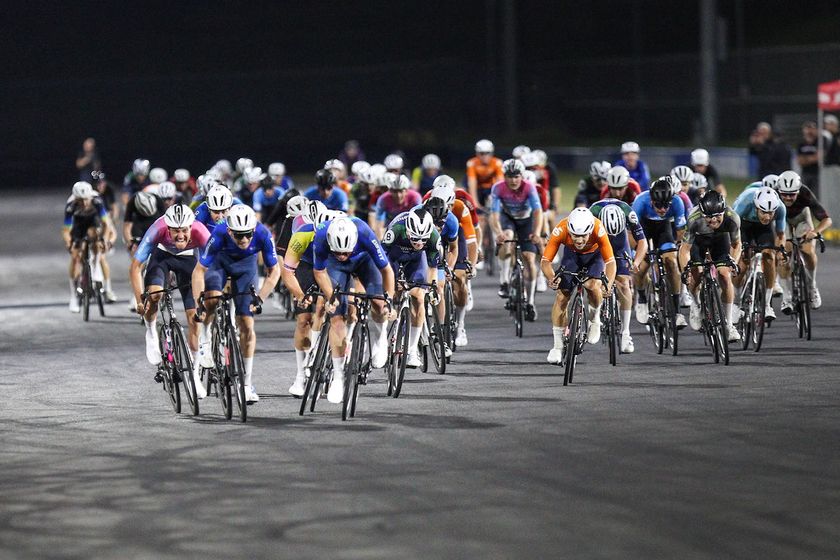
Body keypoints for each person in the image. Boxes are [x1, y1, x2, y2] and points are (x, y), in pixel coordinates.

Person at [193, 205, 281, 404]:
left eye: (247, 235)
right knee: (213, 298)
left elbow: (274, 271)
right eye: (238, 235)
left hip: (245, 268)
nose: (243, 240)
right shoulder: (219, 232)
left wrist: (261, 298)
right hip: (219, 264)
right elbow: (199, 271)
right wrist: (200, 300)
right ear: (230, 230)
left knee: (247, 326)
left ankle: (247, 384)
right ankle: (206, 337)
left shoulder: (263, 234)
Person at [311, 216, 395, 404]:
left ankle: (381, 339)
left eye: (345, 252)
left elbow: (387, 270)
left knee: (379, 304)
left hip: (365, 262)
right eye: (338, 252)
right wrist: (331, 296)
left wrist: (389, 299)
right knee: (337, 320)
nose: (343, 255)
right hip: (335, 269)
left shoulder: (364, 232)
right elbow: (319, 272)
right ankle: (339, 378)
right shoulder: (322, 235)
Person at [131, 205, 210, 396]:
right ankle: (151, 332)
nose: (181, 235)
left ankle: (194, 374)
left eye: (184, 230)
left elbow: (215, 263)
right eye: (176, 231)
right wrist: (140, 301)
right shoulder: (157, 228)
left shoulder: (201, 231)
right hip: (162, 258)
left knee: (195, 318)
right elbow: (135, 267)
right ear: (168, 228)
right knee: (155, 295)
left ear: (191, 227)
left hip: (189, 262)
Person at [541, 208, 616, 363]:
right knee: (562, 295)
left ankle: (594, 318)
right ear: (569, 231)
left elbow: (610, 262)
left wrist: (607, 284)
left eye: (583, 236)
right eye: (575, 236)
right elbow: (545, 261)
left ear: (590, 231)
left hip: (594, 257)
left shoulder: (598, 228)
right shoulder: (561, 228)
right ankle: (557, 346)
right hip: (572, 257)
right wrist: (551, 278)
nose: (580, 240)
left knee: (593, 285)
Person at [678, 191, 742, 341]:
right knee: (696, 273)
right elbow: (685, 249)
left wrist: (733, 261)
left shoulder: (732, 218)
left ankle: (728, 324)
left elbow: (736, 244)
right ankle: (696, 304)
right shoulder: (694, 218)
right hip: (698, 242)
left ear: (723, 212)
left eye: (717, 217)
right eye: (708, 217)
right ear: (702, 213)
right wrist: (685, 269)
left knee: (725, 276)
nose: (713, 221)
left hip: (720, 239)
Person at [281, 202, 331, 396]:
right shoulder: (302, 233)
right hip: (306, 265)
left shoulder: (334, 226)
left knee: (323, 307)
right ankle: (301, 376)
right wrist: (300, 295)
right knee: (303, 320)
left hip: (329, 265)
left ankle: (323, 358)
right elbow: (287, 271)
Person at [381, 208, 442, 367]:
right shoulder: (396, 230)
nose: (419, 243)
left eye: (423, 240)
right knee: (391, 291)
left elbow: (432, 267)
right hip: (393, 257)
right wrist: (391, 285)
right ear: (408, 231)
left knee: (419, 297)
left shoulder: (434, 238)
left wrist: (432, 287)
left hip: (416, 260)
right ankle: (383, 336)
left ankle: (412, 350)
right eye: (414, 239)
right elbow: (381, 260)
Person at [589, 200, 648, 353]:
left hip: (620, 243)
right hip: (598, 241)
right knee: (597, 280)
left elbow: (642, 242)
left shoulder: (628, 213)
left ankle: (626, 333)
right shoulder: (592, 214)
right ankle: (595, 315)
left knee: (624, 283)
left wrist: (636, 261)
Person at [490, 159, 543, 321]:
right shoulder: (498, 188)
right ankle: (504, 281)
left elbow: (537, 212)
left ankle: (531, 302)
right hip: (508, 220)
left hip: (526, 221)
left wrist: (536, 233)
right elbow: (494, 215)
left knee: (529, 258)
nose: (513, 180)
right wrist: (498, 233)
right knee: (507, 238)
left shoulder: (529, 187)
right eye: (509, 176)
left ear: (522, 176)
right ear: (504, 176)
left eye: (516, 177)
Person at [632, 177, 688, 327]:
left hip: (664, 228)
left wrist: (674, 249)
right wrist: (637, 252)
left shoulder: (677, 202)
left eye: (666, 205)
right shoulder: (640, 201)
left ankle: (677, 312)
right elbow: (631, 233)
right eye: (658, 205)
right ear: (651, 200)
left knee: (671, 262)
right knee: (641, 268)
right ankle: (642, 299)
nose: (662, 209)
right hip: (643, 228)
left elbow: (680, 232)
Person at [776, 171, 832, 311]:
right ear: (778, 191)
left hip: (801, 218)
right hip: (782, 221)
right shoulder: (773, 194)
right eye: (784, 194)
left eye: (792, 194)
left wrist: (815, 232)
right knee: (784, 253)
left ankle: (812, 286)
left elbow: (827, 219)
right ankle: (787, 297)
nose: (788, 198)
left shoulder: (805, 192)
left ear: (798, 191)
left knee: (808, 250)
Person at [732, 186, 786, 322]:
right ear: (756, 207)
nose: (768, 217)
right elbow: (731, 230)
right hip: (743, 225)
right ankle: (735, 302)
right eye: (764, 212)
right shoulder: (744, 202)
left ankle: (767, 304)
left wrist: (780, 250)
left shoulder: (780, 208)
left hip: (763, 230)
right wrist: (738, 250)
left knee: (769, 256)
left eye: (770, 213)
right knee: (743, 263)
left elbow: (780, 234)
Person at [62, 181, 117, 312]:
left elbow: (106, 224)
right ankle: (73, 296)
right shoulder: (71, 206)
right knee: (75, 257)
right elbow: (66, 230)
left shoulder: (97, 201)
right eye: (81, 201)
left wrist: (104, 239)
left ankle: (96, 266)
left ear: (90, 197)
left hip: (94, 220)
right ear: (76, 199)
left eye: (86, 200)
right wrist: (69, 243)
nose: (85, 203)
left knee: (97, 240)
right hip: (79, 224)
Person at [796, 121, 820, 195]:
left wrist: (806, 159)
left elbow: (818, 157)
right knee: (804, 194)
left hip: (817, 173)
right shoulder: (801, 144)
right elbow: (800, 161)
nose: (810, 131)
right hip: (805, 173)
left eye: (812, 128)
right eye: (808, 129)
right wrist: (811, 158)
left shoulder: (819, 143)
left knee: (816, 195)